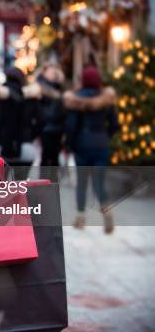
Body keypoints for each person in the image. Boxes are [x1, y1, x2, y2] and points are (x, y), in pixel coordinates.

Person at [64, 66, 118, 233]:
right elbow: (114, 124)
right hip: (101, 145)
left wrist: (70, 145)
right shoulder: (106, 100)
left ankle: (80, 219)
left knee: (81, 183)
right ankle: (107, 213)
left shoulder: (76, 100)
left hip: (82, 146)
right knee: (99, 184)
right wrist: (105, 136)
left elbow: (71, 127)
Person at [37, 63, 66, 180]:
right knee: (45, 156)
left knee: (54, 157)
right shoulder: (39, 88)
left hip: (58, 127)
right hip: (45, 127)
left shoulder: (59, 88)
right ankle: (43, 182)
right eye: (50, 72)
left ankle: (53, 182)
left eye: (54, 72)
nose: (52, 74)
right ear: (44, 73)